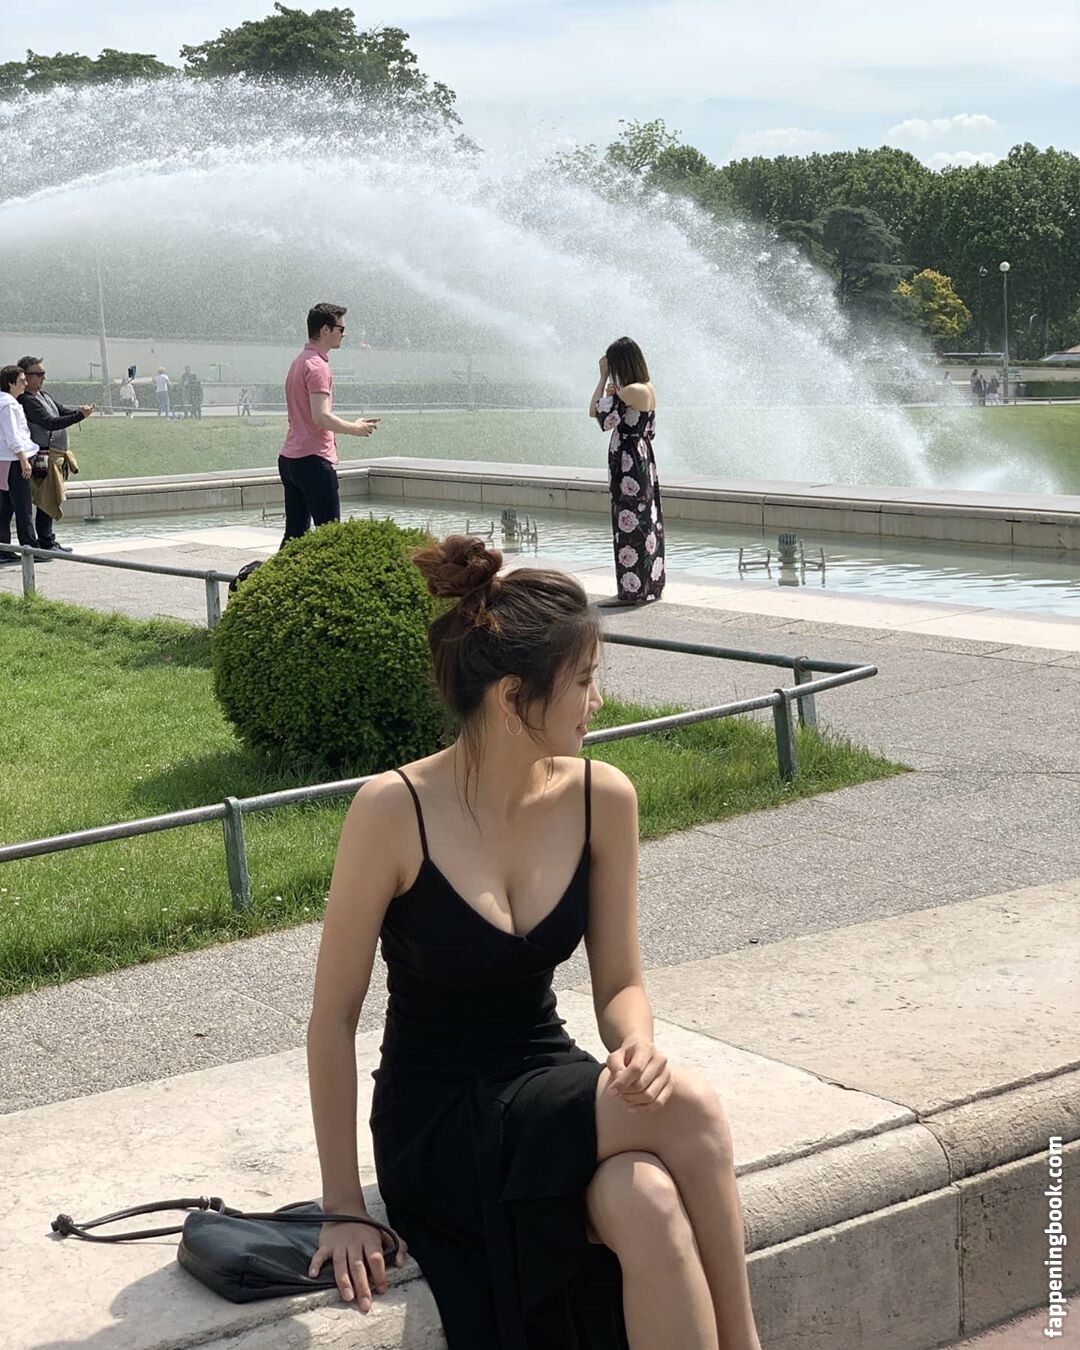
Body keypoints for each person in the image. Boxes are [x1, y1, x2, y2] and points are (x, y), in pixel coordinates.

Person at [306, 535, 763, 1350]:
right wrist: (344, 1205)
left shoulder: (602, 798)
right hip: (439, 1118)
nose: (598, 702)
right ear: (513, 696)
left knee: (646, 1200)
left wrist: (636, 1044)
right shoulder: (392, 811)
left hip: (548, 1078)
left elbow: (619, 983)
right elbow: (332, 1019)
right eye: (583, 682)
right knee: (690, 1110)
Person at [277, 302, 379, 549]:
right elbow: (321, 417)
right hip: (313, 462)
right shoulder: (317, 366)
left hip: (290, 459)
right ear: (325, 330)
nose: (344, 334)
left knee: (295, 536)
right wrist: (355, 428)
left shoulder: (299, 362)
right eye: (340, 329)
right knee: (330, 538)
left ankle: (276, 574)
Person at [588, 337, 665, 607]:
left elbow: (597, 415)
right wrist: (614, 396)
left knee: (628, 522)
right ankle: (649, 586)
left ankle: (631, 592)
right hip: (641, 456)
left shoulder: (631, 390)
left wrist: (602, 378)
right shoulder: (646, 388)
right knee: (645, 520)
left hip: (628, 462)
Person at [17, 355, 92, 552]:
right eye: (39, 373)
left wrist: (80, 412)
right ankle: (46, 542)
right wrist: (79, 416)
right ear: (26, 376)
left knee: (49, 499)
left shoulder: (43, 395)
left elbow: (62, 412)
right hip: (45, 456)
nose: (44, 377)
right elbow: (49, 422)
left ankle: (48, 539)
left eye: (44, 373)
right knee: (47, 500)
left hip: (55, 456)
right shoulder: (27, 400)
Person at [0, 364, 40, 559]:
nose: (25, 383)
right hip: (14, 461)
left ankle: (3, 549)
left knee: (5, 507)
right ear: (10, 383)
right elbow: (13, 435)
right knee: (23, 507)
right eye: (22, 380)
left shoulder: (4, 401)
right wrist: (24, 459)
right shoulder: (8, 405)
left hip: (6, 461)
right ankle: (30, 549)